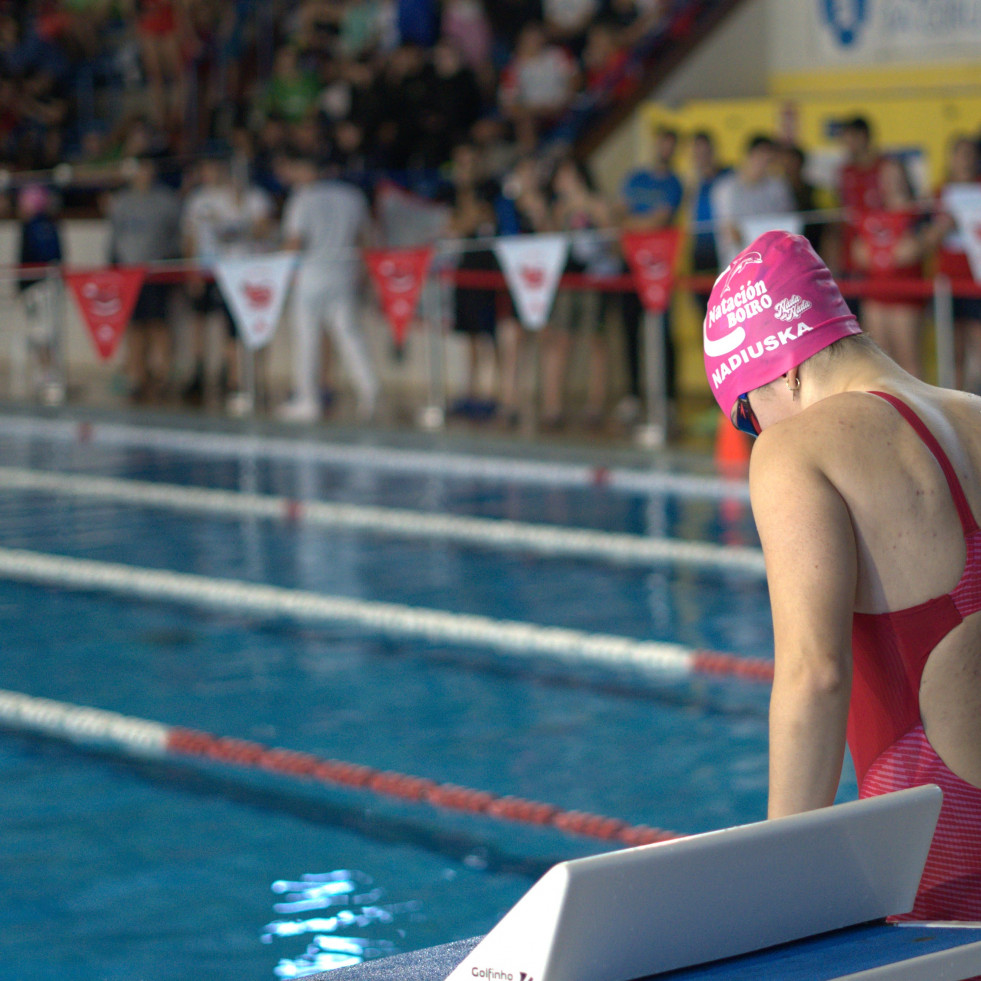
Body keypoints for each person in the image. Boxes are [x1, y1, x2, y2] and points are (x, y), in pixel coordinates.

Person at [703, 229, 981, 921]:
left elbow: (814, 675)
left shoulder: (795, 449)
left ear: (782, 367)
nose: (754, 429)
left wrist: (774, 895)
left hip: (940, 863)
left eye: (744, 410)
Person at [277, 149, 378, 423]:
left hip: (311, 276)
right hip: (344, 274)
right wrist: (365, 275)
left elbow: (294, 243)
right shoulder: (353, 196)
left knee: (307, 339)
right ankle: (369, 391)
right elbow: (365, 239)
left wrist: (279, 274)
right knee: (349, 335)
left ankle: (307, 400)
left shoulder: (303, 198)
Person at [106, 153, 182, 401]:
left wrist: (172, 265)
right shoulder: (122, 201)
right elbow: (115, 238)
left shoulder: (166, 201)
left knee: (158, 324)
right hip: (129, 272)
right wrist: (113, 270)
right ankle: (136, 375)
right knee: (135, 326)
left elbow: (177, 236)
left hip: (156, 273)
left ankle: (164, 375)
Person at [850, 155, 926, 379]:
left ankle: (917, 414)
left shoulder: (918, 211)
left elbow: (911, 251)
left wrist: (879, 251)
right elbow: (858, 253)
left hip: (906, 294)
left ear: (905, 177)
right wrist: (887, 252)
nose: (890, 182)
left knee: (908, 362)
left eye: (894, 175)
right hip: (876, 292)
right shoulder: (871, 212)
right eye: (885, 177)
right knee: (880, 365)